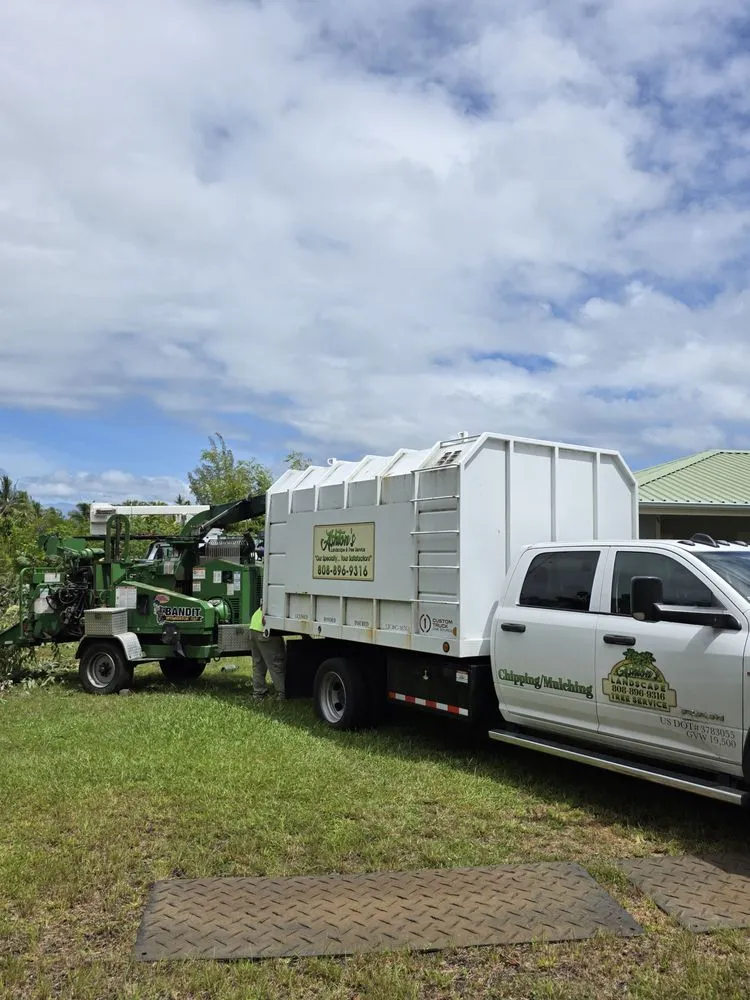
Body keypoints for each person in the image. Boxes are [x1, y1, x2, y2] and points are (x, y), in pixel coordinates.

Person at [249, 607, 285, 699]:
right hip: (265, 630)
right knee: (276, 663)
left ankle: (258, 692)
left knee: (258, 664)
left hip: (254, 627)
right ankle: (283, 693)